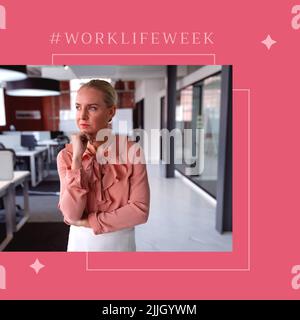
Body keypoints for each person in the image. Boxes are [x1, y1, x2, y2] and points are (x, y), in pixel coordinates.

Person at [57, 79, 150, 251]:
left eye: (92, 108)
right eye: (78, 107)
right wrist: (77, 159)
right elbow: (71, 215)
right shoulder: (66, 156)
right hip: (80, 243)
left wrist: (88, 221)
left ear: (111, 112)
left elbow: (140, 211)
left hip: (120, 243)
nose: (82, 116)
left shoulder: (132, 151)